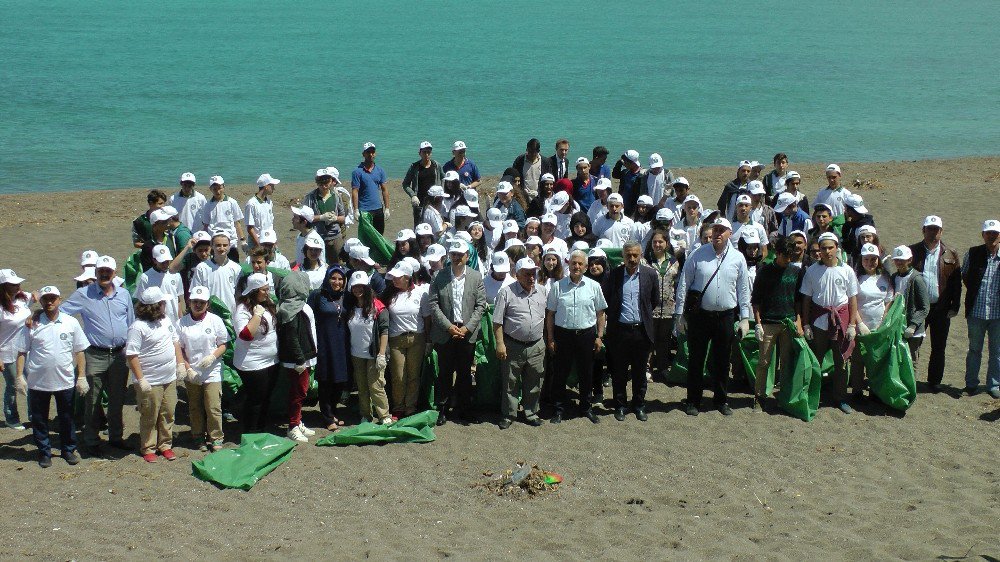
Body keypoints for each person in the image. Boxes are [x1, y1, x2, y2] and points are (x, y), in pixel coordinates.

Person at [674, 218, 752, 416]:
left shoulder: (738, 258)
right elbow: (684, 283)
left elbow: (743, 289)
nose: (717, 233)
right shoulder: (697, 254)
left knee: (722, 360)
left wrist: (744, 317)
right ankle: (693, 400)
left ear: (729, 233)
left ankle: (721, 399)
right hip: (700, 316)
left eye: (722, 230)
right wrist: (680, 315)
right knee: (696, 359)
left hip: (725, 316)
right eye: (715, 229)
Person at [59, 255, 134, 455]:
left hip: (119, 354)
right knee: (92, 399)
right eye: (101, 271)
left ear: (114, 273)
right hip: (94, 354)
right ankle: (91, 441)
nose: (104, 274)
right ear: (95, 272)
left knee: (117, 399)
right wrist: (38, 314)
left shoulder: (124, 295)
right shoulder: (84, 294)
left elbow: (131, 322)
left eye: (108, 271)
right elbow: (61, 312)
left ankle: (116, 437)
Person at [14, 285, 89, 467]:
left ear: (59, 300)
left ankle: (68, 449)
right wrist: (19, 376)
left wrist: (81, 376)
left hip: (65, 380)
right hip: (38, 382)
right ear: (40, 301)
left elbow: (79, 351)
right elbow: (22, 351)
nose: (49, 302)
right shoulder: (32, 324)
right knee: (39, 419)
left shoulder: (71, 322)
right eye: (45, 299)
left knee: (67, 418)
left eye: (53, 298)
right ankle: (44, 452)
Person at [427, 239, 488, 425]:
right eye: (453, 254)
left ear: (467, 256)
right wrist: (448, 326)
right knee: (444, 372)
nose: (456, 258)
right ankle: (443, 409)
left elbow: (480, 306)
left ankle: (464, 408)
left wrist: (467, 328)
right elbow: (433, 304)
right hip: (446, 332)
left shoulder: (476, 277)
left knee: (464, 374)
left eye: (460, 255)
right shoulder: (439, 276)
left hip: (466, 332)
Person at [799, 232, 861, 414]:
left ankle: (840, 397)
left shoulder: (847, 270)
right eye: (823, 248)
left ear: (836, 248)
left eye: (830, 247)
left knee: (841, 361)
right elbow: (806, 300)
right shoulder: (812, 271)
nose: (826, 251)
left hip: (840, 321)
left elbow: (852, 299)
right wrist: (807, 325)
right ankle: (813, 395)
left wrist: (851, 325)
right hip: (819, 322)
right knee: (816, 360)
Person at [545, 250, 607, 423]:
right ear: (569, 265)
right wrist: (550, 338)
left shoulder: (594, 286)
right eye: (574, 263)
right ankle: (558, 409)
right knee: (560, 373)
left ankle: (586, 408)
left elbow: (600, 313)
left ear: (586, 267)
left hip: (586, 335)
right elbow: (550, 314)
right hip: (563, 334)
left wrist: (599, 336)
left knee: (586, 373)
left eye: (580, 264)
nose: (576, 267)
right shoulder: (558, 286)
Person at [126, 287, 186, 462]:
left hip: (169, 377)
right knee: (150, 414)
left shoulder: (166, 320)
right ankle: (148, 446)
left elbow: (175, 342)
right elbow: (132, 354)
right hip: (150, 380)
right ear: (155, 305)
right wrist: (141, 378)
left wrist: (180, 363)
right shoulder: (138, 327)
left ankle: (165, 444)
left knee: (168, 412)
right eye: (162, 303)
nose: (165, 305)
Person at [604, 241, 660, 421]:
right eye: (628, 255)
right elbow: (607, 299)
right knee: (619, 372)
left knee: (639, 372)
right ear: (623, 256)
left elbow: (654, 300)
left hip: (641, 331)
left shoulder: (650, 274)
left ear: (641, 255)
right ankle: (620, 405)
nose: (632, 259)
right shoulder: (614, 275)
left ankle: (639, 405)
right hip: (620, 331)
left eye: (635, 255)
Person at [908, 215, 962, 392]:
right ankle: (908, 378)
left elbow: (956, 283)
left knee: (939, 347)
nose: (933, 232)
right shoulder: (912, 251)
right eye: (929, 228)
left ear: (941, 231)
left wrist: (955, 306)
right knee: (913, 346)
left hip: (941, 307)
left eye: (936, 229)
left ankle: (934, 381)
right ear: (923, 230)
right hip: (918, 308)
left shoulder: (951, 253)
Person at [750, 239, 805, 410]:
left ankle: (784, 396)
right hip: (768, 323)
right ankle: (759, 396)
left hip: (787, 322)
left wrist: (799, 322)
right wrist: (758, 323)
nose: (789, 260)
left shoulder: (796, 272)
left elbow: (798, 300)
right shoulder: (765, 271)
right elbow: (756, 300)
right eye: (786, 256)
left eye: (791, 257)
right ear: (778, 254)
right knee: (763, 362)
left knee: (787, 362)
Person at [493, 257, 548, 429]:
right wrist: (500, 343)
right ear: (517, 275)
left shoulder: (542, 291)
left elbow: (548, 317)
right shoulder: (506, 293)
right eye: (527, 274)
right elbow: (497, 322)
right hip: (513, 344)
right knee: (510, 381)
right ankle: (509, 414)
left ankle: (531, 412)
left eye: (533, 274)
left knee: (534, 380)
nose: (531, 278)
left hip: (537, 344)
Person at [176, 285, 227, 452]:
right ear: (190, 302)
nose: (198, 305)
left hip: (211, 370)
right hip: (192, 371)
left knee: (213, 405)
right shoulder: (181, 323)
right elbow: (180, 349)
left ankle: (216, 437)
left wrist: (213, 356)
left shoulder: (215, 320)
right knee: (195, 406)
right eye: (195, 302)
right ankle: (198, 436)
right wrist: (187, 368)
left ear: (207, 304)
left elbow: (223, 344)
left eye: (202, 302)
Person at [382, 260, 429, 418]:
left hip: (417, 337)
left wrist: (428, 340)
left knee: (413, 375)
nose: (394, 280)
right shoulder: (389, 294)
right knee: (398, 376)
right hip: (396, 339)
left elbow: (427, 318)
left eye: (398, 277)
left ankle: (410, 406)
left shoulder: (421, 293)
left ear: (408, 278)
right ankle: (398, 406)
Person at [234, 273, 279, 433]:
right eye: (263, 290)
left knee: (266, 397)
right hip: (252, 363)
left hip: (271, 361)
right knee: (256, 399)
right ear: (254, 291)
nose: (267, 293)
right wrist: (257, 315)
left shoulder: (268, 303)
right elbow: (246, 335)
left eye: (268, 289)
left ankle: (261, 428)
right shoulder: (243, 309)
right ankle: (250, 431)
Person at [275, 272, 318, 443]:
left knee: (300, 390)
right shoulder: (290, 309)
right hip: (297, 359)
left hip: (304, 356)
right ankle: (292, 425)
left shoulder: (300, 305)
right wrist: (300, 359)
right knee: (299, 391)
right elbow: (292, 337)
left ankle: (298, 421)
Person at [345, 271, 391, 424]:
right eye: (354, 287)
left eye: (361, 286)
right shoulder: (350, 307)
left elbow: (384, 330)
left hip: (374, 354)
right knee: (362, 387)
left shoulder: (378, 307)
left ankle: (384, 415)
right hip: (356, 354)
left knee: (376, 386)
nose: (358, 290)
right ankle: (365, 414)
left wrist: (381, 354)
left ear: (367, 287)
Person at [308, 266, 350, 429]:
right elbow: (307, 317)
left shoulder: (346, 297)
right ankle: (327, 417)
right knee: (325, 381)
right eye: (333, 278)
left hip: (342, 343)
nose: (337, 282)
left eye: (340, 279)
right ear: (327, 279)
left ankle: (333, 411)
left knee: (339, 380)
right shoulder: (318, 296)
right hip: (324, 343)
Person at [962, 219, 1000, 398]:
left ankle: (994, 384)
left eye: (995, 233)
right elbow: (965, 275)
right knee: (974, 349)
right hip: (976, 312)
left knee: (997, 351)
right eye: (988, 233)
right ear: (983, 235)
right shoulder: (973, 253)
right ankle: (971, 383)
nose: (992, 236)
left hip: (998, 314)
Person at [851, 243, 894, 399]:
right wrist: (859, 323)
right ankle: (857, 391)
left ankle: (875, 391)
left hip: (878, 328)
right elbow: (852, 302)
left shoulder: (885, 278)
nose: (870, 262)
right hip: (860, 327)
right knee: (858, 361)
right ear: (861, 260)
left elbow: (888, 301)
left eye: (873, 259)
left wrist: (883, 321)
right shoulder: (856, 279)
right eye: (866, 259)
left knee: (876, 361)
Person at [643, 230, 681, 379]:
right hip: (650, 307)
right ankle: (647, 367)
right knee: (649, 338)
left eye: (660, 242)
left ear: (667, 244)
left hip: (668, 308)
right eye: (654, 242)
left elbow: (677, 284)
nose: (657, 244)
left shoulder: (674, 262)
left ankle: (663, 367)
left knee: (664, 339)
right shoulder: (645, 261)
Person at [1, 269, 32, 430]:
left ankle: (34, 415)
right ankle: (11, 417)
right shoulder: (1, 308)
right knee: (13, 384)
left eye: (17, 283)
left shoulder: (22, 298)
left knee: (32, 381)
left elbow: (35, 297)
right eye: (13, 284)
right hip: (7, 352)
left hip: (26, 349)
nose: (17, 286)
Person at [890, 245, 930, 367]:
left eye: (902, 260)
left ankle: (911, 386)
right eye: (896, 260)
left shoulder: (916, 279)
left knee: (911, 360)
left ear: (910, 260)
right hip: (898, 326)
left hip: (912, 330)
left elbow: (924, 307)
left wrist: (913, 325)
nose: (899, 263)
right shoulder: (894, 277)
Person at [303, 168, 348, 265]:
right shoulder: (310, 197)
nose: (324, 186)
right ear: (317, 183)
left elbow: (344, 218)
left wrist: (335, 218)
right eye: (320, 183)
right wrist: (321, 217)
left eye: (326, 183)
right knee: (318, 263)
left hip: (335, 236)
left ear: (331, 181)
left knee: (338, 263)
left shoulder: (336, 196)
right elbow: (304, 218)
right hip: (318, 236)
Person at [190, 233, 243, 313]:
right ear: (212, 247)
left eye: (225, 245)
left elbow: (239, 295)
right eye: (218, 245)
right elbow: (196, 293)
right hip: (209, 314)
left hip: (230, 314)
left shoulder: (237, 268)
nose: (222, 248)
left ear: (229, 247)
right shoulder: (202, 267)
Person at [197, 177, 246, 259]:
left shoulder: (232, 202)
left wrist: (243, 240)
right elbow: (206, 225)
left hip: (231, 240)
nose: (218, 191)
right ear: (210, 189)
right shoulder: (208, 205)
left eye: (220, 188)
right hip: (214, 240)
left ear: (223, 187)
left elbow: (237, 223)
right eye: (214, 189)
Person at [134, 245, 183, 325]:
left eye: (167, 261)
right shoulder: (145, 277)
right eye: (162, 262)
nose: (165, 264)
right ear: (154, 260)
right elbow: (141, 301)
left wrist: (180, 319)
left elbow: (178, 300)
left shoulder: (176, 275)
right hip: (155, 321)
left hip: (174, 320)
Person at [351, 142, 390, 234]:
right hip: (364, 209)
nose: (371, 154)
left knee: (379, 235)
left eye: (372, 152)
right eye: (368, 152)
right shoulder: (357, 172)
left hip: (378, 208)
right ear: (363, 154)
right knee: (367, 236)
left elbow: (384, 189)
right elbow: (355, 191)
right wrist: (356, 209)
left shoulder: (380, 170)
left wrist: (387, 208)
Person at [402, 142, 444, 226]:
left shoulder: (436, 165)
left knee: (437, 227)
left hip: (435, 203)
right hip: (420, 204)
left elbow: (443, 178)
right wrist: (413, 195)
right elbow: (405, 184)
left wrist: (442, 192)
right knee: (419, 228)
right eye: (424, 152)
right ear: (419, 153)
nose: (427, 154)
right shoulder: (414, 167)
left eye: (428, 152)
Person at [245, 173, 278, 249]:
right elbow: (250, 228)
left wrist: (274, 242)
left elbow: (270, 224)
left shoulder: (269, 202)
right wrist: (259, 245)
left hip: (269, 240)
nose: (274, 188)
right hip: (257, 241)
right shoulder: (251, 204)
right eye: (272, 186)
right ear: (266, 186)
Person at [612, 149, 643, 216]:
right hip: (622, 205)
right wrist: (619, 163)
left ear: (632, 163)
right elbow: (615, 175)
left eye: (625, 162)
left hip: (633, 208)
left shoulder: (641, 176)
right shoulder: (625, 172)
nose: (624, 164)